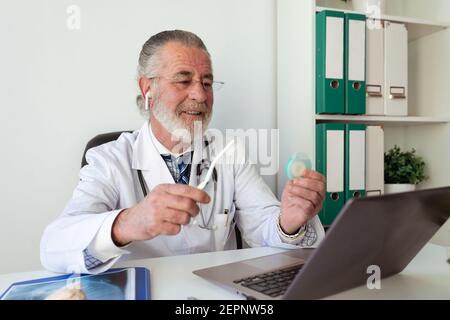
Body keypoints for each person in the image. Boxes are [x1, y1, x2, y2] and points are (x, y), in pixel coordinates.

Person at [40, 30, 326, 274]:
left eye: (207, 82)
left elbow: (265, 228)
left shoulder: (229, 153)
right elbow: (53, 246)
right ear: (147, 88)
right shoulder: (109, 160)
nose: (200, 95)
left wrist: (289, 223)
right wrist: (127, 223)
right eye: (183, 80)